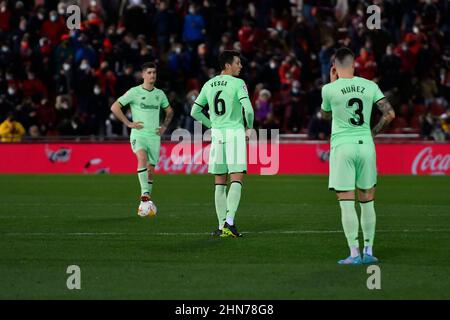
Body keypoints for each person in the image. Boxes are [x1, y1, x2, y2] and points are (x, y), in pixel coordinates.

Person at [320, 47, 395, 265]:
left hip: (343, 146)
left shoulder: (329, 89)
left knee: (346, 202)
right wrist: (371, 132)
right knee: (367, 200)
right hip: (365, 146)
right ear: (354, 64)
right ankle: (369, 251)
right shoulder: (370, 85)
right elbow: (389, 114)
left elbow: (326, 115)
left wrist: (332, 83)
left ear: (334, 66)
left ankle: (354, 254)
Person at [191, 50, 254, 238]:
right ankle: (230, 222)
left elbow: (195, 111)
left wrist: (212, 125)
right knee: (237, 178)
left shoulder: (208, 84)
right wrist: (249, 127)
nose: (240, 66)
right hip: (235, 133)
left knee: (219, 182)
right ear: (228, 65)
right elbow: (249, 110)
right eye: (238, 63)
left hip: (217, 136)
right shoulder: (238, 83)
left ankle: (220, 227)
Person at [110, 62, 174, 210]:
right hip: (138, 135)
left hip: (154, 136)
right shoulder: (134, 92)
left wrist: (164, 126)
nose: (152, 75)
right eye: (149, 72)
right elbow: (115, 107)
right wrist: (128, 123)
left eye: (154, 72)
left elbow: (169, 111)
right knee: (142, 158)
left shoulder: (160, 94)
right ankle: (144, 193)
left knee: (151, 169)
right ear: (143, 75)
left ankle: (145, 202)